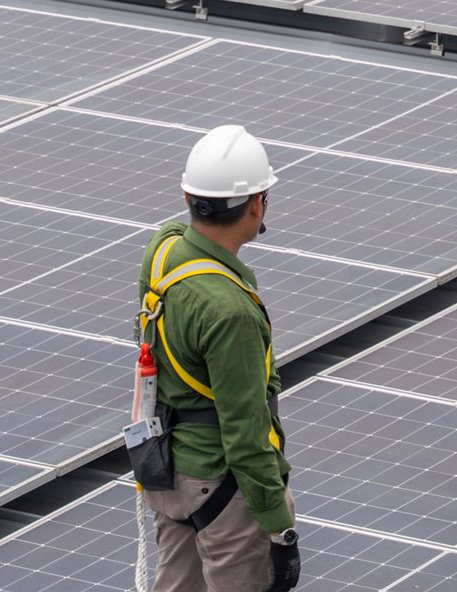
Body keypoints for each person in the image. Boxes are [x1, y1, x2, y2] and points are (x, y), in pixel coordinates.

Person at [138, 125, 298, 592]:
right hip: (223, 488)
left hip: (168, 469)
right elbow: (246, 434)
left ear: (188, 196)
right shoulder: (230, 312)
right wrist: (277, 525)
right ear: (255, 205)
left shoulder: (163, 248)